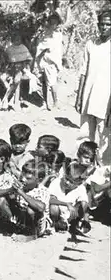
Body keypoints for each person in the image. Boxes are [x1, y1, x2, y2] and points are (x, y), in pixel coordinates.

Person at [75, 8, 111, 165]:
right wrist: (79, 97)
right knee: (84, 134)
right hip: (88, 97)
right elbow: (83, 71)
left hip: (106, 102)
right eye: (102, 24)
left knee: (104, 137)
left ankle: (103, 170)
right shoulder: (91, 44)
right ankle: (82, 166)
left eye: (108, 25)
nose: (104, 27)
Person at [35, 13, 63, 110]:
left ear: (57, 24)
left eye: (54, 23)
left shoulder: (58, 36)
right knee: (43, 82)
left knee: (52, 83)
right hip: (43, 61)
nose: (52, 25)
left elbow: (54, 49)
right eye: (51, 23)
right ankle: (45, 102)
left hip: (51, 63)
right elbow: (40, 46)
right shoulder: (45, 34)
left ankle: (56, 102)